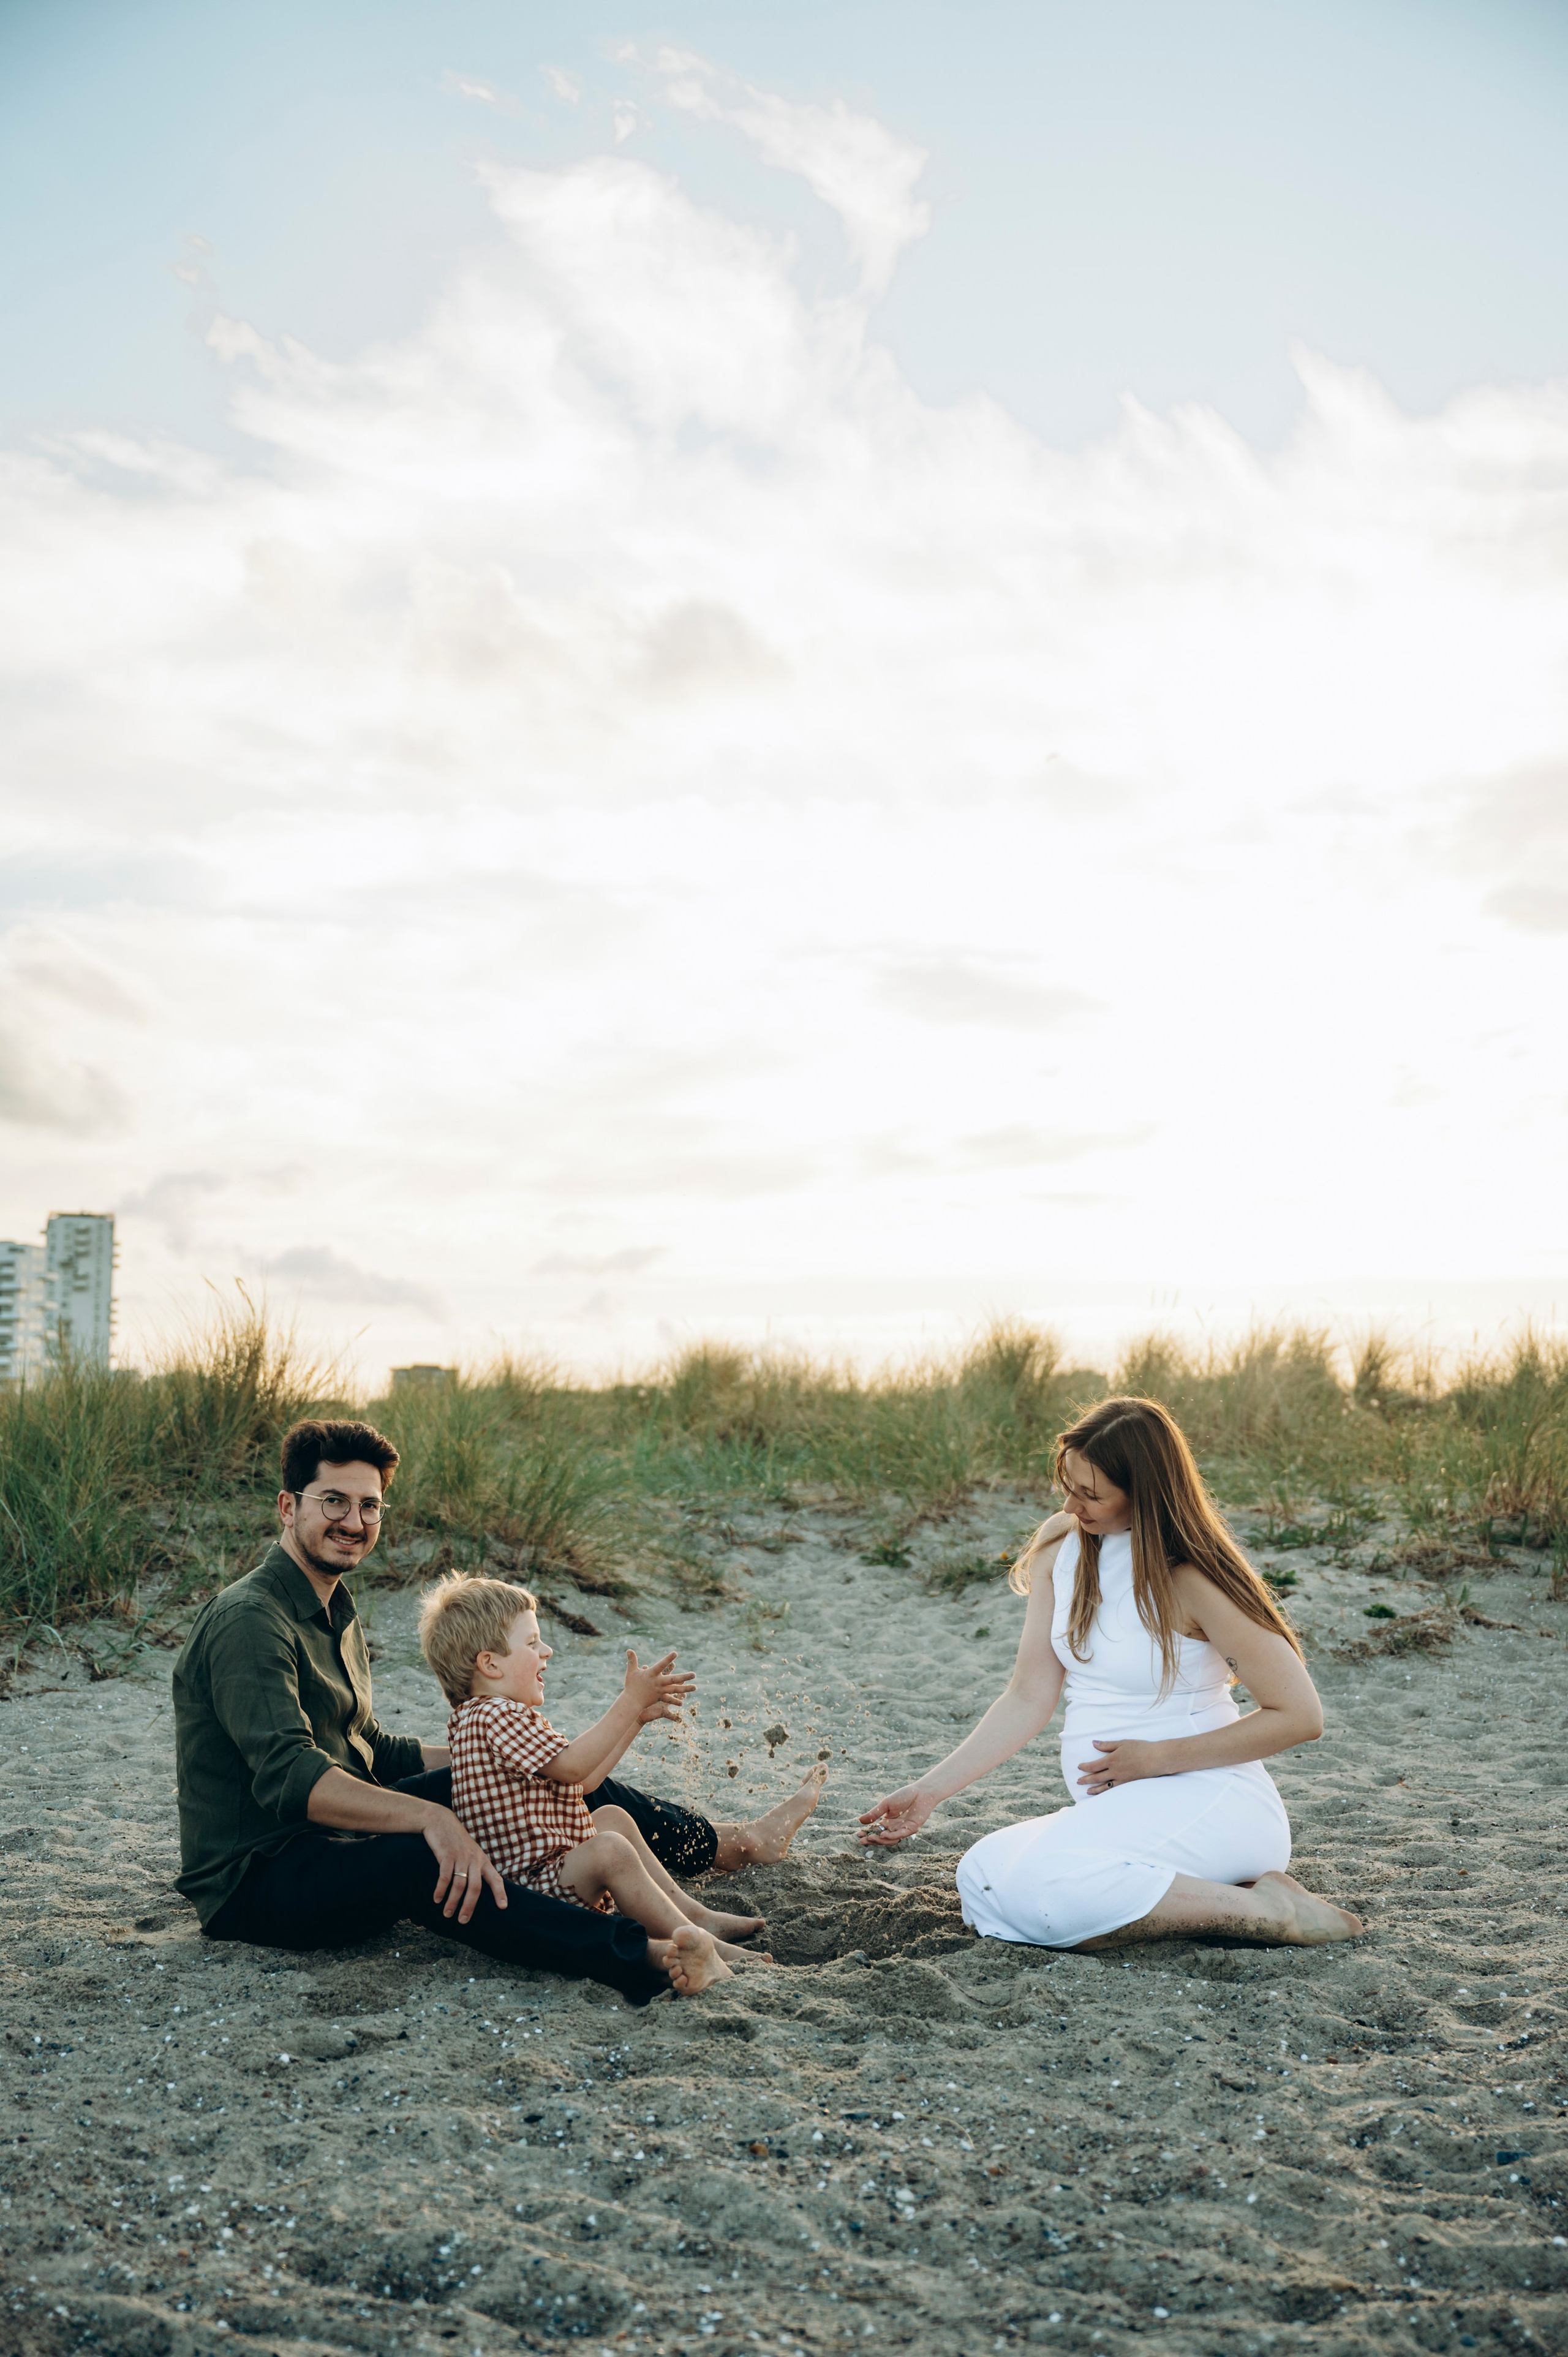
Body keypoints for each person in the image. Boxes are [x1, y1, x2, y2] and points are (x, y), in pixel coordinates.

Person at [174, 1417, 742, 2001]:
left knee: (546, 1775)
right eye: (334, 1502)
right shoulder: (249, 1620)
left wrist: (498, 1760)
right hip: (261, 1874)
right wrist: (432, 1817)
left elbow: (366, 1746)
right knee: (418, 1856)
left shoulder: (334, 1609)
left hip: (340, 1831)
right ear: (288, 1508)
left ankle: (721, 1846)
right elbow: (291, 1777)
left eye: (370, 1506)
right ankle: (645, 1957)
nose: (354, 1522)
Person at [858, 1396, 1365, 1951]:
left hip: (1213, 1800)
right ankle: (1199, 1894)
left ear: (1143, 1494)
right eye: (1068, 1486)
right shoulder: (1061, 1544)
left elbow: (1300, 1716)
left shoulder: (1192, 1580)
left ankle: (1267, 1910)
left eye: (1092, 1494)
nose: (1073, 1505)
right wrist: (931, 1791)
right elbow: (1028, 1695)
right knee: (981, 1872)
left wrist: (1155, 1759)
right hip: (1123, 1808)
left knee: (1046, 1892)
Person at [419, 1572, 772, 1960]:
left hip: (541, 1870)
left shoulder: (480, 1718)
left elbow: (584, 1781)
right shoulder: (496, 1716)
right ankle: (697, 1942)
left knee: (613, 1819)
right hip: (533, 1888)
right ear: (490, 1664)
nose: (547, 1651)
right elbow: (573, 1765)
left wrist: (635, 1718)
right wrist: (629, 1699)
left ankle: (696, 1916)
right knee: (609, 1850)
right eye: (533, 1642)